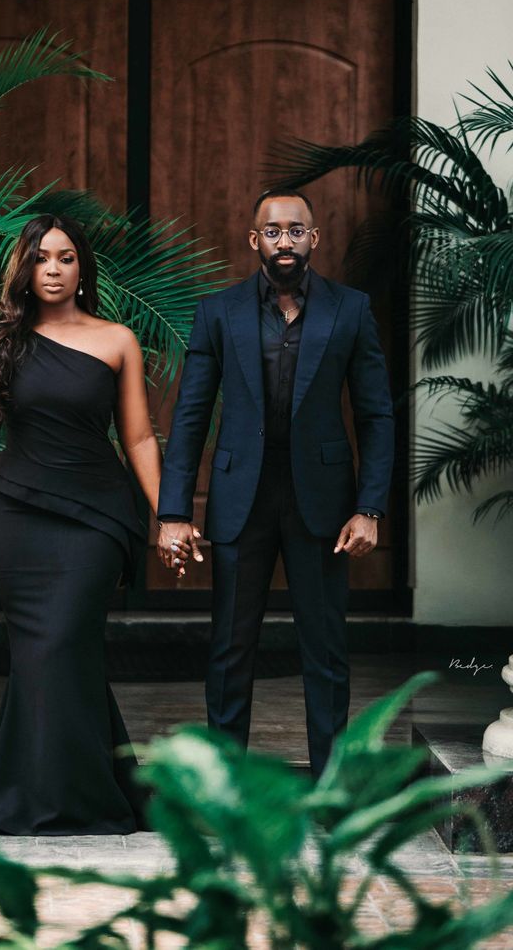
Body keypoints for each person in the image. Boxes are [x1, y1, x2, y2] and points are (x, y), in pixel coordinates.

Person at [0, 213, 179, 835]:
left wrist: (169, 515)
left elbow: (138, 440)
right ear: (24, 266)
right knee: (43, 658)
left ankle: (67, 796)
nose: (53, 268)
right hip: (16, 516)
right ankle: (58, 794)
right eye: (42, 257)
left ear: (82, 268)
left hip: (95, 518)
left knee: (63, 643)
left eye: (66, 257)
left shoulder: (117, 339)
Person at [156, 189, 395, 779]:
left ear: (314, 238)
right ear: (253, 240)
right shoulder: (219, 311)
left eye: (295, 230)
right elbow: (190, 415)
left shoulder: (351, 309)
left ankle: (331, 787)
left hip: (326, 505)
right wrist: (173, 512)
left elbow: (376, 415)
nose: (283, 240)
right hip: (243, 501)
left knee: (326, 652)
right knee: (231, 650)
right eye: (272, 230)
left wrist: (370, 507)